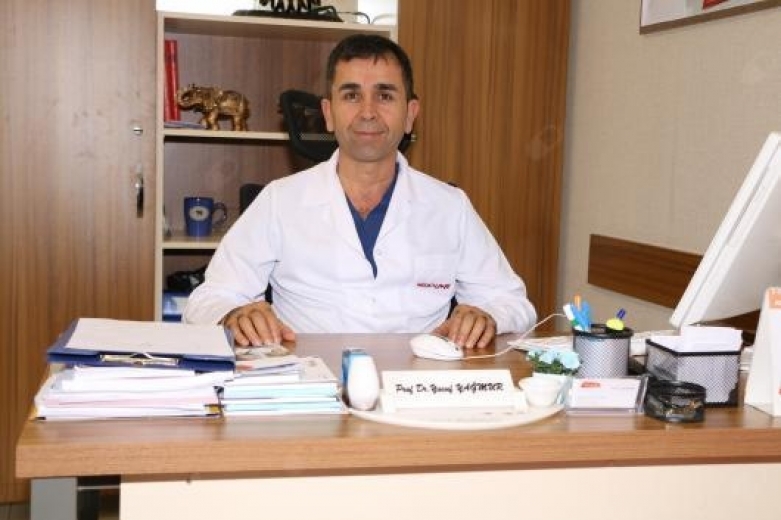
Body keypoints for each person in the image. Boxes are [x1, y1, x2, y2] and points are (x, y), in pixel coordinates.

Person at [183, 34, 536, 349]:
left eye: (385, 95)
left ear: (410, 114)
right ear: (328, 113)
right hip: (311, 385)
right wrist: (234, 314)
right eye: (351, 95)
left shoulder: (449, 206)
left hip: (415, 387)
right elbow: (207, 299)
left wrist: (488, 316)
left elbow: (514, 302)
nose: (368, 112)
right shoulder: (279, 200)